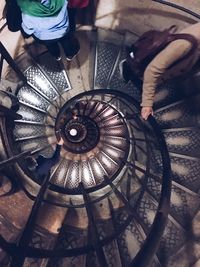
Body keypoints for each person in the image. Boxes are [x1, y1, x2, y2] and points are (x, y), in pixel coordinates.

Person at [121, 22, 200, 120]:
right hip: (146, 72)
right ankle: (129, 71)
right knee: (139, 88)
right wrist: (147, 104)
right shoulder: (184, 45)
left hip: (164, 74)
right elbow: (152, 70)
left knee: (143, 91)